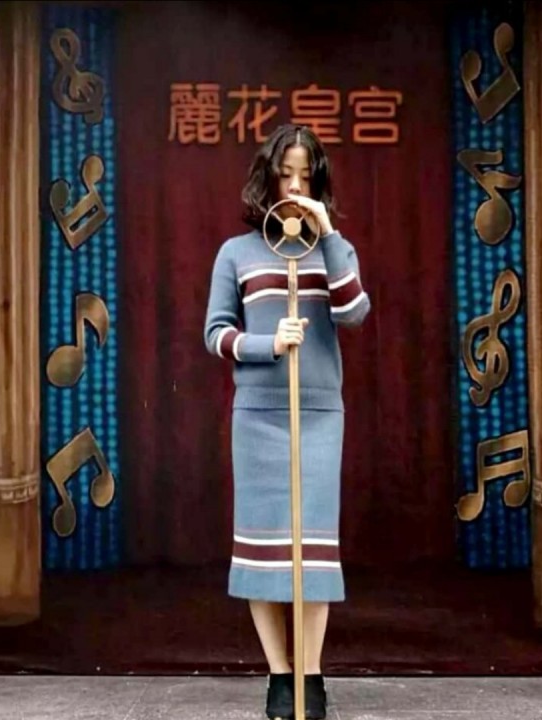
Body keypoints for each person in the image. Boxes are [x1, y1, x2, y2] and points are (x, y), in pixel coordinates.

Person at [203, 124, 370, 720]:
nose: (295, 186)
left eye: (306, 176)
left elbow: (354, 312)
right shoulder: (237, 252)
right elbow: (215, 334)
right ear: (267, 179)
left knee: (313, 554)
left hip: (319, 414)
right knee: (263, 552)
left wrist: (331, 235)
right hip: (258, 415)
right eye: (286, 174)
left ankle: (311, 674)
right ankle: (279, 674)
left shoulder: (331, 250)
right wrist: (267, 343)